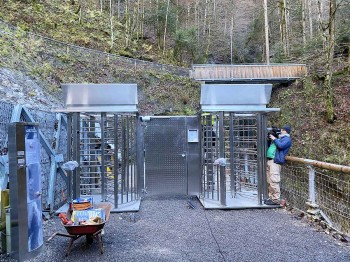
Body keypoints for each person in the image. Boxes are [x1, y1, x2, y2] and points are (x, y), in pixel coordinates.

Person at [265, 125, 292, 205]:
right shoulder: (279, 138)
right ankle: (271, 198)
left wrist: (274, 138)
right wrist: (271, 138)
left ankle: (275, 200)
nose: (280, 131)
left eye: (282, 130)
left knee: (274, 180)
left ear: (285, 131)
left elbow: (281, 146)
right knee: (269, 180)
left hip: (276, 162)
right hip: (270, 160)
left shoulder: (287, 139)